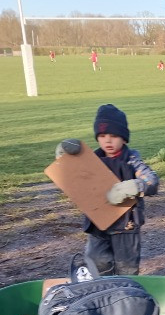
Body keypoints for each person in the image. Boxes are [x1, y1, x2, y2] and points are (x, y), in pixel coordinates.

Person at [55, 103, 159, 276]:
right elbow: (71, 176)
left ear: (124, 138)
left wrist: (133, 186)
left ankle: (125, 295)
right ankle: (104, 290)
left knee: (127, 267)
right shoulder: (92, 160)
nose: (108, 140)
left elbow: (152, 181)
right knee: (96, 260)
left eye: (113, 135)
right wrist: (64, 156)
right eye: (102, 135)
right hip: (98, 221)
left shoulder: (131, 160)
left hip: (126, 225)